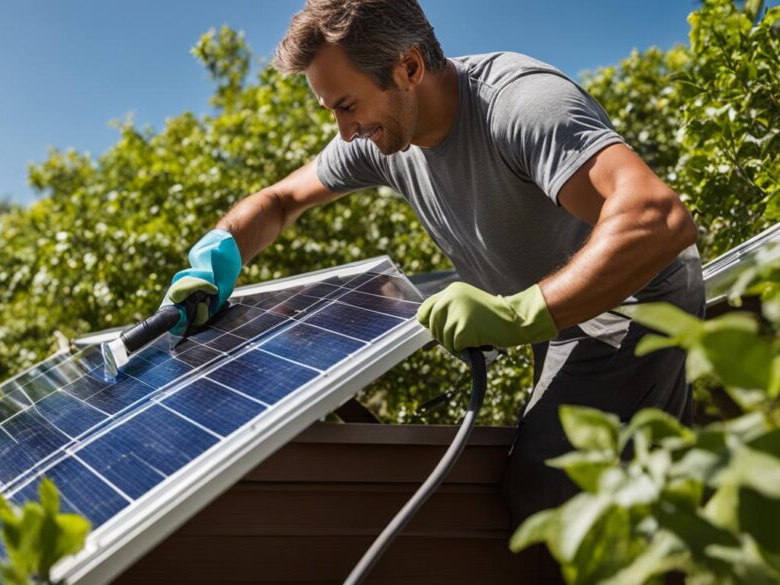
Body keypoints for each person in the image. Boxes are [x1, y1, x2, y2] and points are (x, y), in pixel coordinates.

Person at [162, 0, 705, 538]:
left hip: (635, 295)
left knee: (552, 486)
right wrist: (217, 252)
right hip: (557, 312)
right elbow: (281, 200)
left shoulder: (521, 104)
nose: (344, 131)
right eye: (331, 110)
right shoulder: (381, 137)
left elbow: (657, 217)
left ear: (410, 67)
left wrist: (520, 312)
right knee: (621, 477)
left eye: (347, 105)